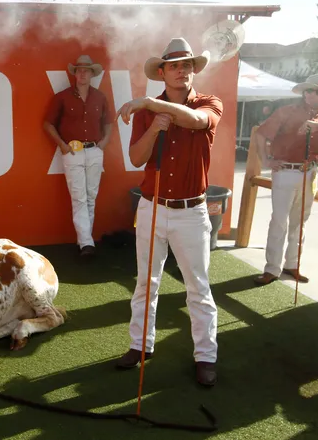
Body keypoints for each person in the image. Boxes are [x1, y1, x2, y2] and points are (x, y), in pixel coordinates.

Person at [114, 38, 223, 387]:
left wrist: (149, 103)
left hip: (192, 211)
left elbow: (195, 122)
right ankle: (140, 345)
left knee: (198, 288)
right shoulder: (148, 112)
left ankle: (205, 355)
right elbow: (136, 158)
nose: (182, 70)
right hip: (151, 207)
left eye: (187, 64)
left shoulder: (209, 102)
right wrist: (153, 126)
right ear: (162, 72)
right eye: (175, 65)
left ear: (193, 70)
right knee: (146, 282)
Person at [253, 74, 318, 286]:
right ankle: (272, 268)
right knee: (279, 221)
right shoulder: (286, 112)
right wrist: (267, 160)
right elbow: (261, 135)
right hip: (285, 170)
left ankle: (292, 264)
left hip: (310, 173)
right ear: (307, 93)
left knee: (300, 221)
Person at [43, 55, 113, 258]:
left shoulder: (100, 97)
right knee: (79, 197)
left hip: (94, 151)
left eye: (87, 70)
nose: (82, 74)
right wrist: (63, 146)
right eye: (79, 70)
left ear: (92, 74)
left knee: (91, 196)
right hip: (72, 152)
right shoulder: (62, 97)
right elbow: (48, 124)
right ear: (75, 73)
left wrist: (105, 142)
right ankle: (86, 243)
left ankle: (85, 240)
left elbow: (108, 122)